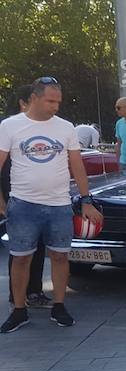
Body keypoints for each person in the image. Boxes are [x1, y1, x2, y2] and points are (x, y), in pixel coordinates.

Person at [0, 77, 103, 332]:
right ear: (34, 98)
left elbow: (77, 164)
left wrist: (86, 200)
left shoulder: (66, 127)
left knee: (60, 256)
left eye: (58, 101)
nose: (55, 106)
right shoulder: (10, 126)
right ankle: (19, 309)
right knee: (20, 258)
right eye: (50, 101)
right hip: (23, 204)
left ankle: (59, 305)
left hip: (59, 205)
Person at [1, 85, 51, 309]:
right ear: (24, 103)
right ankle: (17, 295)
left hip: (40, 200)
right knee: (20, 250)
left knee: (38, 246)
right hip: (15, 199)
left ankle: (34, 291)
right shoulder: (8, 129)